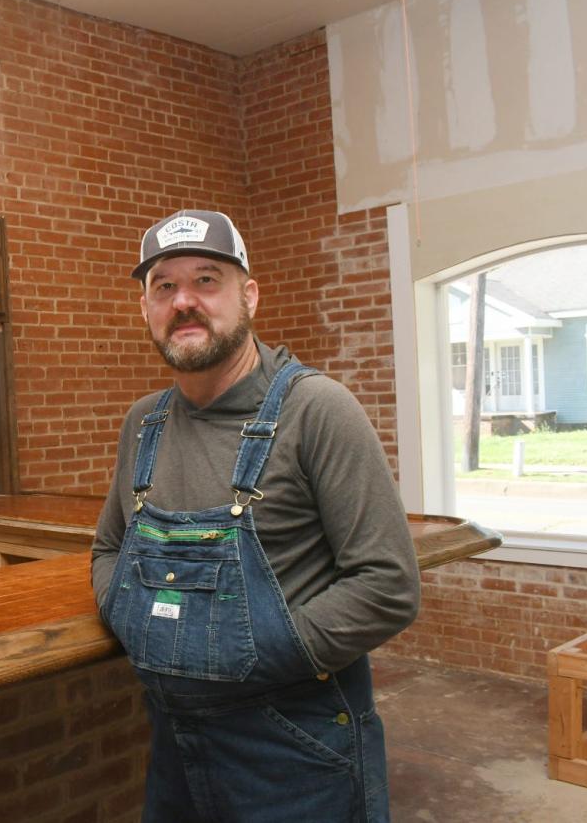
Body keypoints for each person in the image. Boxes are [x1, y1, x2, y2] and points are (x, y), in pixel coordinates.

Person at [91, 210, 420, 822]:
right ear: (145, 308)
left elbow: (387, 585)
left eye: (207, 280)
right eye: (164, 286)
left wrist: (249, 659)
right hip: (174, 747)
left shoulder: (318, 409)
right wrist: (136, 627)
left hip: (294, 750)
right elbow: (109, 550)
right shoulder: (145, 423)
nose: (184, 301)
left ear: (248, 296)